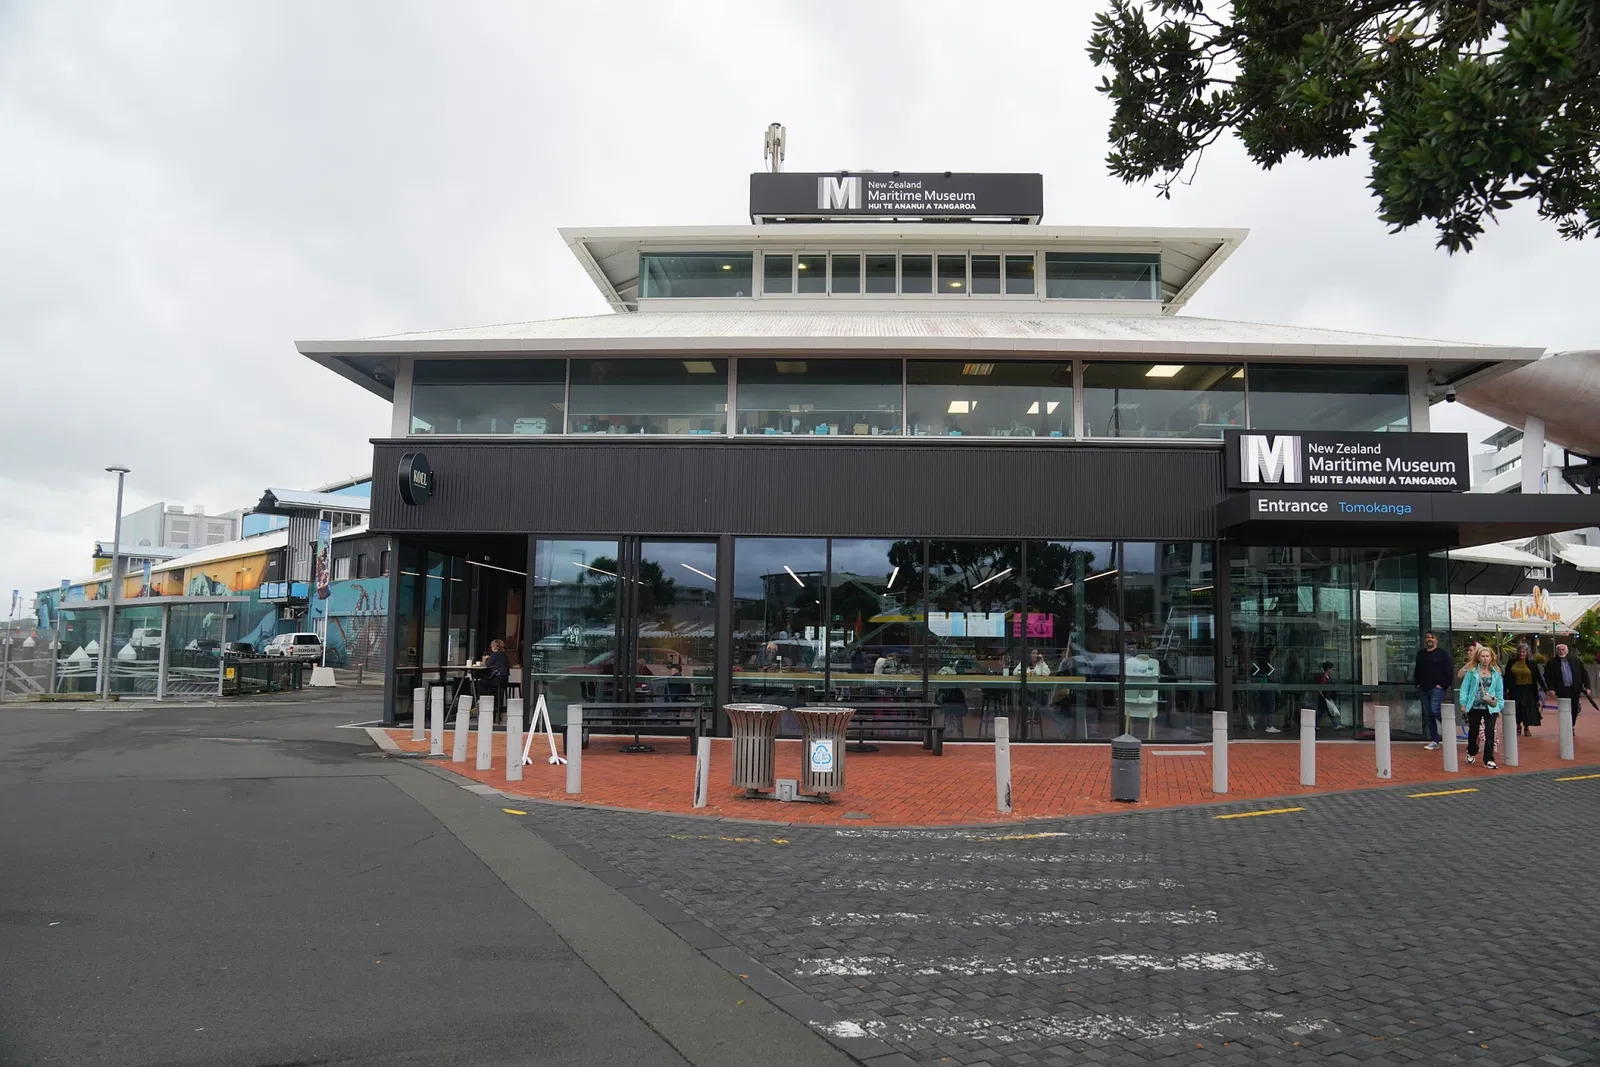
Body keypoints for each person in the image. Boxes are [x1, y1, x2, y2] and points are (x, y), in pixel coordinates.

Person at [1459, 646, 1504, 768]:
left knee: (1490, 732)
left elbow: (1500, 691)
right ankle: (1471, 751)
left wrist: (1499, 706)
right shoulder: (1472, 671)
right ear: (1478, 657)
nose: (1485, 659)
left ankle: (1488, 759)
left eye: (1487, 656)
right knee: (1474, 731)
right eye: (1483, 656)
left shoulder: (1496, 672)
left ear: (1491, 658)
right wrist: (1463, 703)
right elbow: (1464, 688)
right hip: (1474, 705)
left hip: (1490, 707)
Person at [1413, 631, 1454, 750]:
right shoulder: (1421, 654)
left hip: (1437, 688)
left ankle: (1448, 732)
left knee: (1435, 710)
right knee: (1429, 715)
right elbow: (1417, 670)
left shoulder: (1442, 654)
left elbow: (1449, 671)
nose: (1429, 639)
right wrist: (1417, 684)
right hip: (1423, 688)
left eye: (1432, 637)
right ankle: (1435, 740)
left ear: (1436, 640)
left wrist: (1443, 685)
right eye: (1427, 637)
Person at [1544, 642, 1591, 731]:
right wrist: (1551, 688)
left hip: (1575, 689)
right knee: (1564, 709)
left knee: (1574, 709)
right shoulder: (1551, 663)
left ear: (1567, 651)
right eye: (1559, 650)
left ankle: (1571, 726)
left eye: (1563, 650)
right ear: (1556, 651)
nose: (1561, 652)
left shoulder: (1575, 660)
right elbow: (1547, 677)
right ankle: (1565, 727)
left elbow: (1584, 673)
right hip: (1562, 690)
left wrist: (1587, 686)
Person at [1505, 644, 1546, 738]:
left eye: (1523, 652)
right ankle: (1518, 725)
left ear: (1527, 653)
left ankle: (1526, 727)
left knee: (1527, 708)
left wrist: (1545, 689)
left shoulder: (1531, 664)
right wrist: (1504, 690)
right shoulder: (1511, 662)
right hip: (1515, 688)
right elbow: (1506, 677)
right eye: (1520, 651)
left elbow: (1538, 677)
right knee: (1517, 708)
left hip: (1529, 689)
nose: (1521, 654)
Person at [482, 638, 511, 715]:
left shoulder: (494, 655)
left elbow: (487, 665)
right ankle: (496, 704)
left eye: (492, 646)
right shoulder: (504, 655)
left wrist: (485, 659)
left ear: (494, 647)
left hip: (497, 678)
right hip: (505, 679)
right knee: (492, 687)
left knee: (481, 683)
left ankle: (486, 703)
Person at [1311, 661, 1341, 730]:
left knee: (1326, 711)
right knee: (1322, 711)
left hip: (1326, 697)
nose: (1333, 671)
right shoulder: (1323, 678)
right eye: (1332, 669)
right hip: (1324, 698)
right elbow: (1321, 689)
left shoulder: (1327, 677)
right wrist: (1324, 697)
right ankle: (1335, 724)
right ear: (1328, 669)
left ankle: (1335, 724)